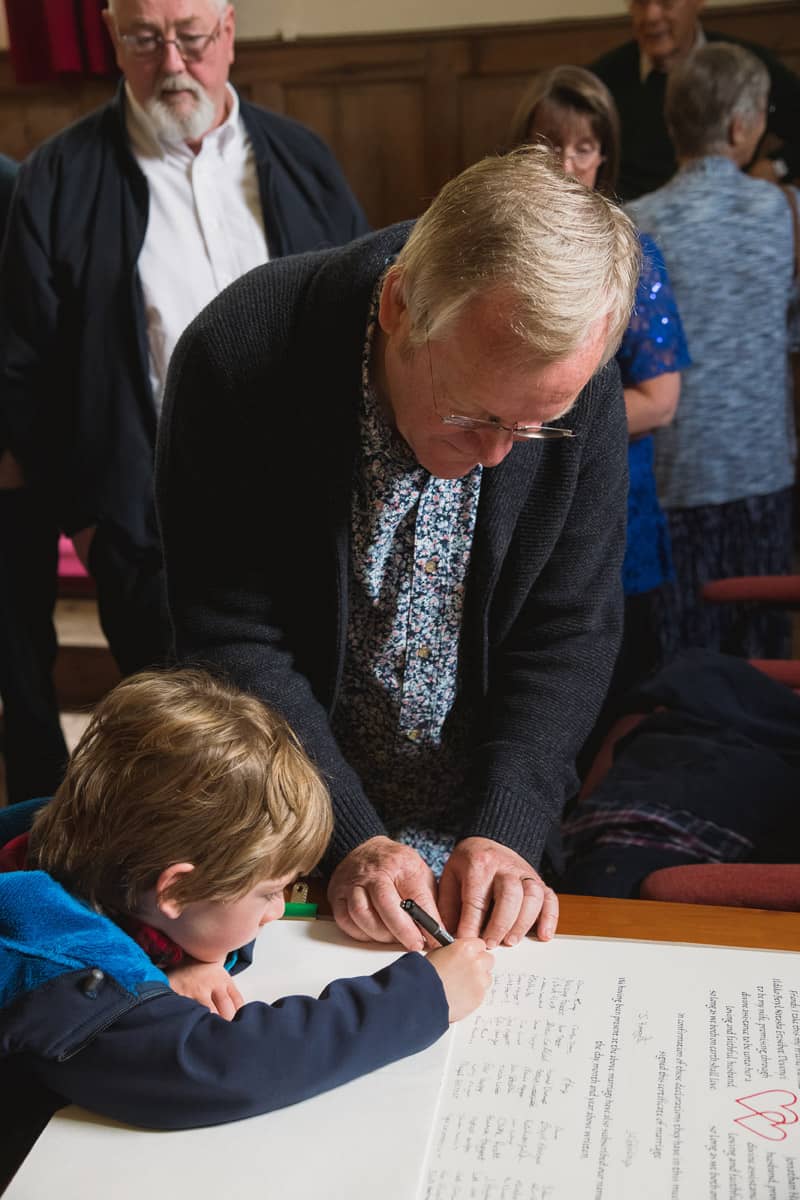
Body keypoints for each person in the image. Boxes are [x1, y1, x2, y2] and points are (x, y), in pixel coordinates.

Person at [156, 148, 641, 956]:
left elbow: (569, 632)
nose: (496, 456)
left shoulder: (577, 379)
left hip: (481, 833)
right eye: (472, 414)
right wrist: (349, 835)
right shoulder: (239, 352)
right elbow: (234, 638)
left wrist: (509, 826)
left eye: (531, 427)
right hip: (278, 832)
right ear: (397, 306)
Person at [0, 0, 368, 697]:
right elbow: (26, 372)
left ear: (227, 31)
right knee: (195, 768)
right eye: (144, 39)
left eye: (190, 37)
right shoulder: (57, 179)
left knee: (316, 737)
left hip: (308, 516)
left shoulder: (303, 161)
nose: (171, 63)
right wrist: (88, 525)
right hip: (147, 539)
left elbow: (363, 321)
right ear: (111, 36)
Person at [0, 669, 493, 1129]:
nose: (278, 911)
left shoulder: (78, 846)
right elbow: (217, 1066)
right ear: (174, 889)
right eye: (269, 893)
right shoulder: (50, 965)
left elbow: (174, 926)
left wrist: (170, 963)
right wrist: (425, 997)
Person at [509, 65, 690, 706]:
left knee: (612, 697)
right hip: (510, 497)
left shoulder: (635, 258)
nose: (564, 163)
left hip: (607, 500)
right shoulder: (495, 248)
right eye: (548, 145)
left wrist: (535, 422)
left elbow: (660, 401)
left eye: (583, 147)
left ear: (602, 157)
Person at [626, 43, 798, 658]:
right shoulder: (786, 212)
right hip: (765, 473)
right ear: (740, 125)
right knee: (763, 671)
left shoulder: (635, 224)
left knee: (683, 675)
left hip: (675, 478)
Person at [0, 153, 69, 806]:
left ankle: (36, 817)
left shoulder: (14, 187)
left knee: (20, 659)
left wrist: (14, 443)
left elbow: (32, 335)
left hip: (8, 475)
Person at [590, 0, 800, 200]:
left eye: (666, 3)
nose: (651, 16)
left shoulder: (745, 66)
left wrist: (776, 166)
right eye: (640, 3)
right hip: (631, 223)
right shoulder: (601, 79)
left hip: (725, 216)